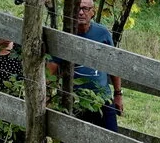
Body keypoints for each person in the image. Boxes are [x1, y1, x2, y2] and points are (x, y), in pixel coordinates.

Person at [48, 0, 124, 131]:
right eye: (77, 9)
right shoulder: (65, 35)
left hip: (102, 99)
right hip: (75, 101)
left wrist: (118, 94)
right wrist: (47, 95)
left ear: (93, 12)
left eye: (85, 9)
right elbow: (51, 69)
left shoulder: (103, 34)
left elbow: (113, 65)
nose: (81, 12)